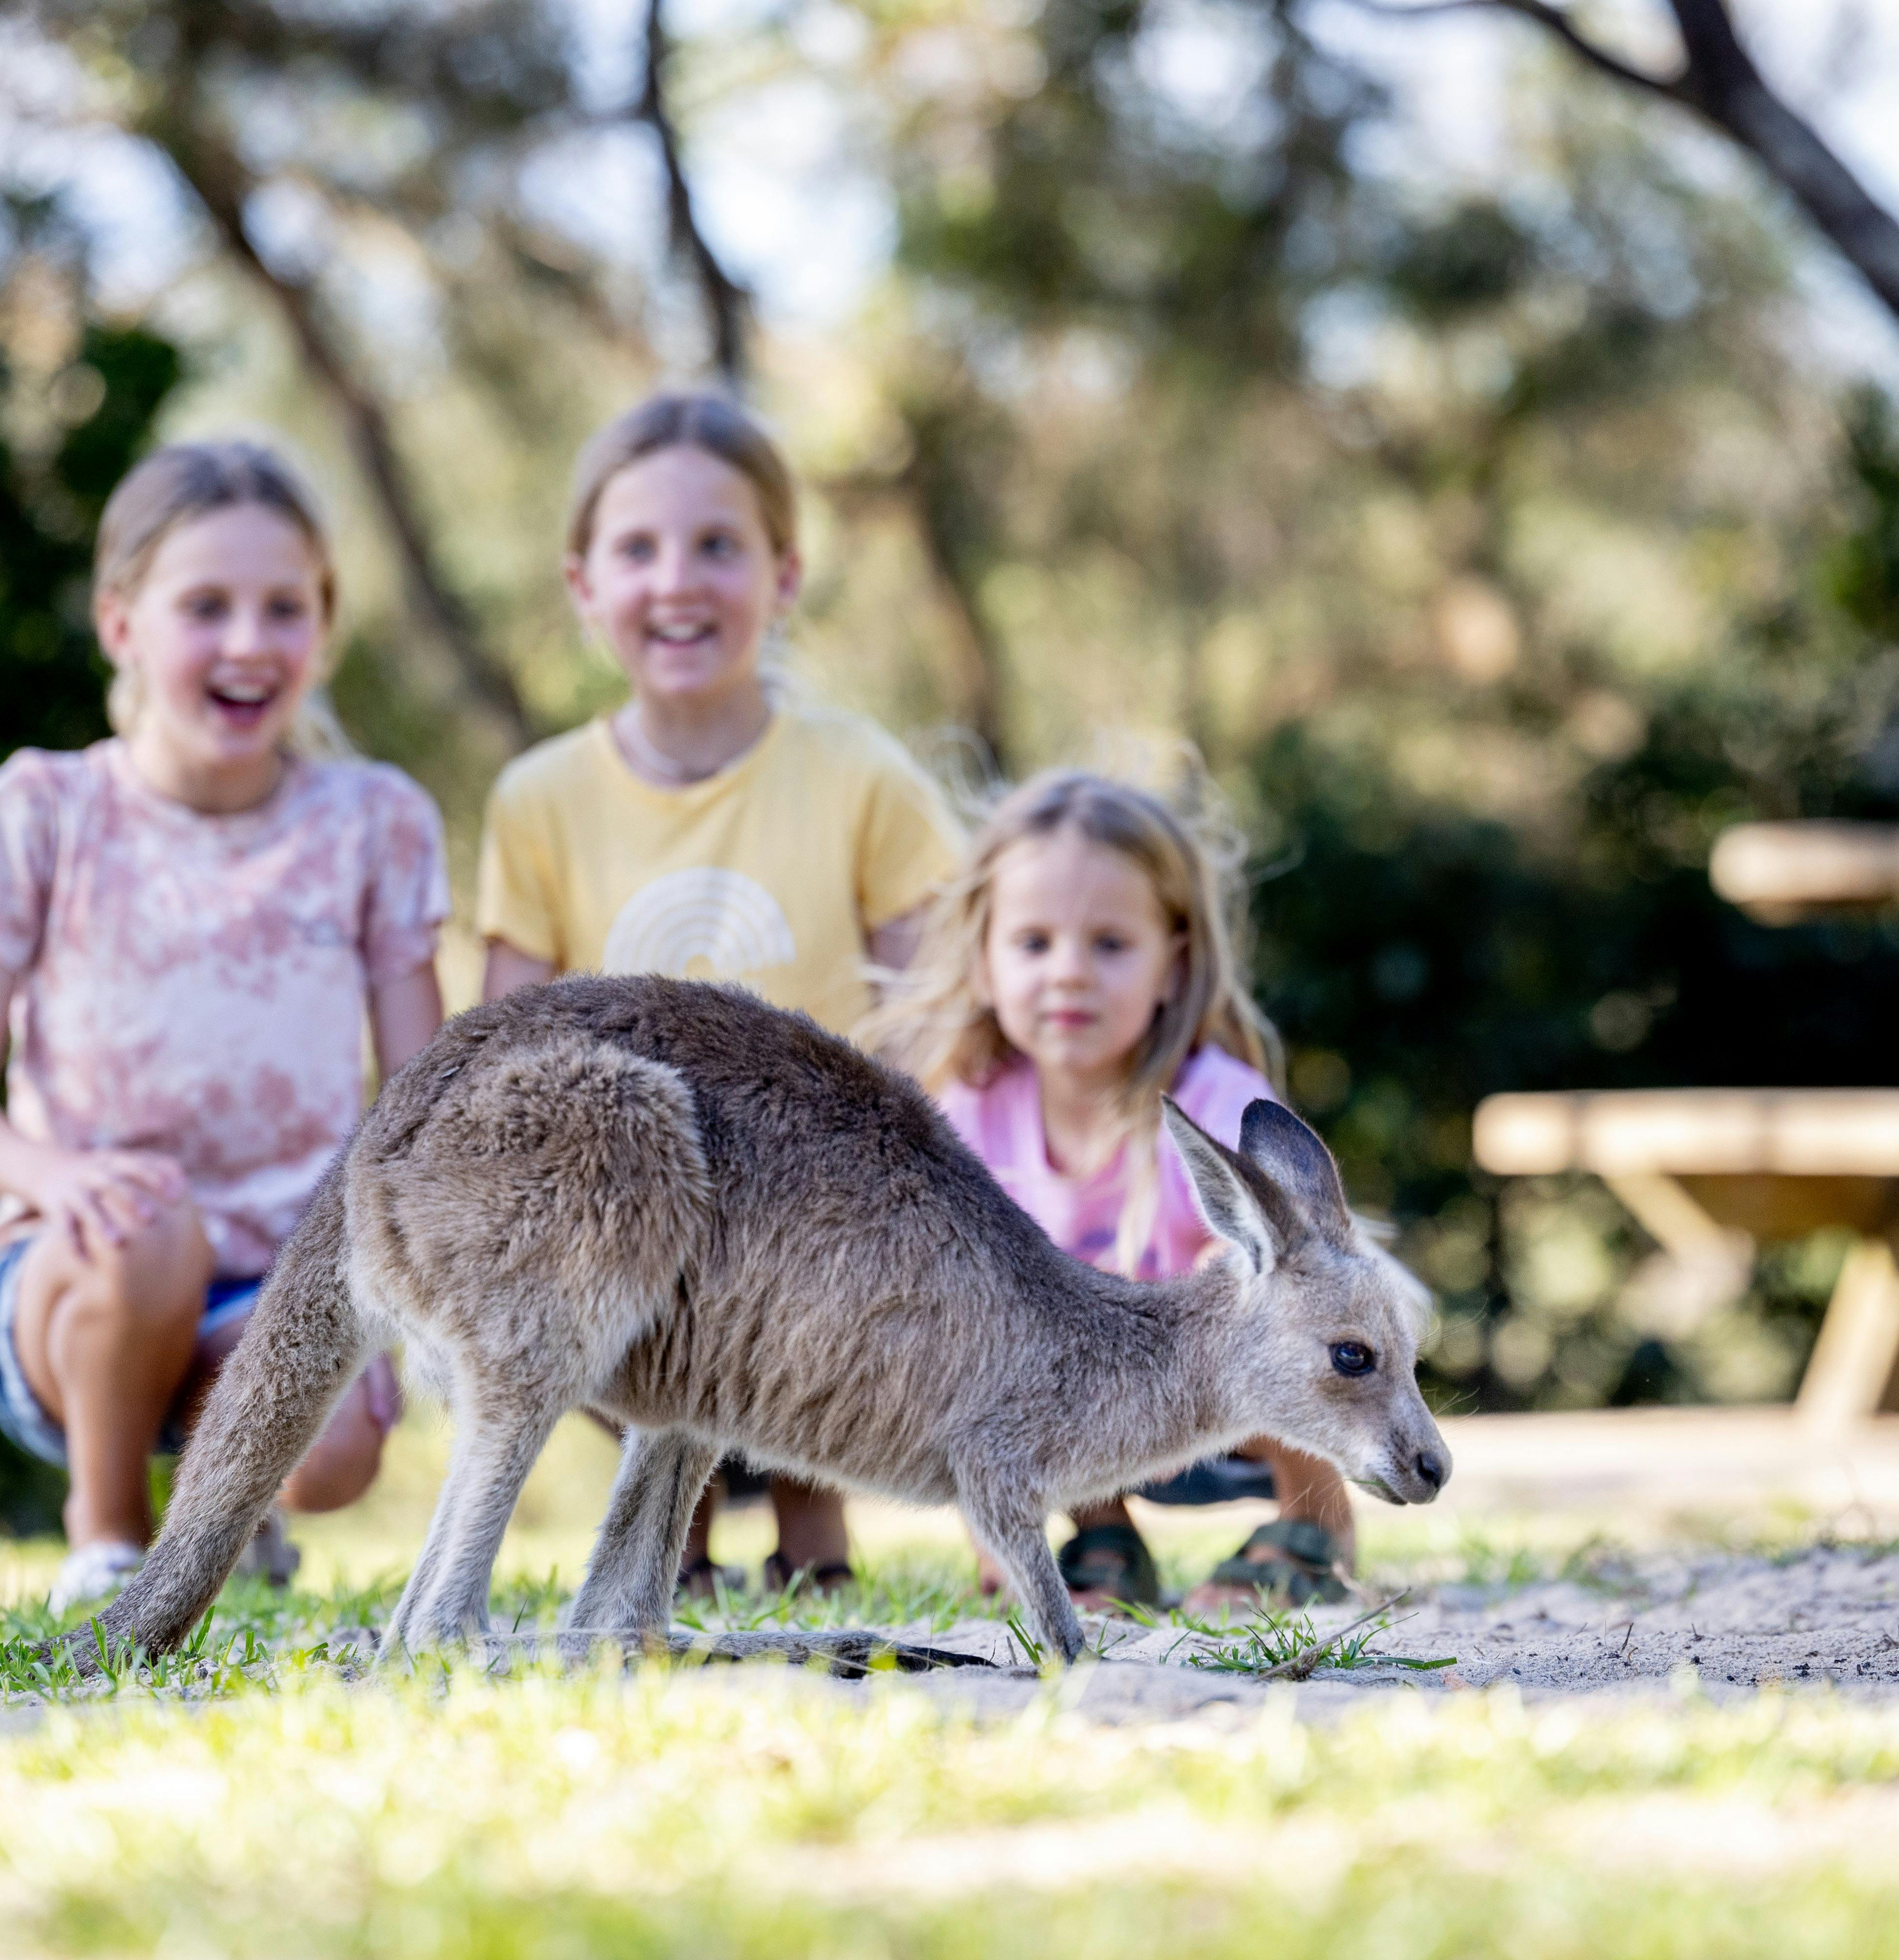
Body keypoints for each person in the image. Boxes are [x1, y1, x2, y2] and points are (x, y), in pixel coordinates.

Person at [0, 440, 449, 1613]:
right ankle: (106, 1533)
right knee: (155, 1222)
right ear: (121, 627)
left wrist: (410, 1286)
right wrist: (56, 1175)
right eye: (206, 606)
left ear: (321, 630)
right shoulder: (44, 809)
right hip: (76, 1281)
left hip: (276, 1279)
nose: (249, 641)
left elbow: (423, 1102)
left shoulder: (373, 823)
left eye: (283, 609)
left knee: (340, 1448)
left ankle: (230, 1506)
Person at [472, 390, 962, 1598]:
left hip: (826, 1215)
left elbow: (936, 1014)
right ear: (583, 584)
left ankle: (816, 1535)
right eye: (637, 549)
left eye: (718, 546)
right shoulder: (539, 800)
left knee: (817, 1240)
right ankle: (668, 1546)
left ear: (784, 576)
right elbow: (495, 1051)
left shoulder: (860, 776)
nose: (676, 579)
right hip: (629, 1205)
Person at [864, 768, 1359, 1613]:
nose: (1069, 973)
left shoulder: (1217, 1104)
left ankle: (1314, 1521)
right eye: (1033, 944)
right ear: (982, 959)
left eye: (1109, 945)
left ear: (1175, 963)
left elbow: (1310, 1276)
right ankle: (1104, 1535)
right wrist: (986, 1527)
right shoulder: (967, 1114)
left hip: (1231, 1417)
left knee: (1284, 1301)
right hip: (1093, 1422)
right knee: (1002, 1315)